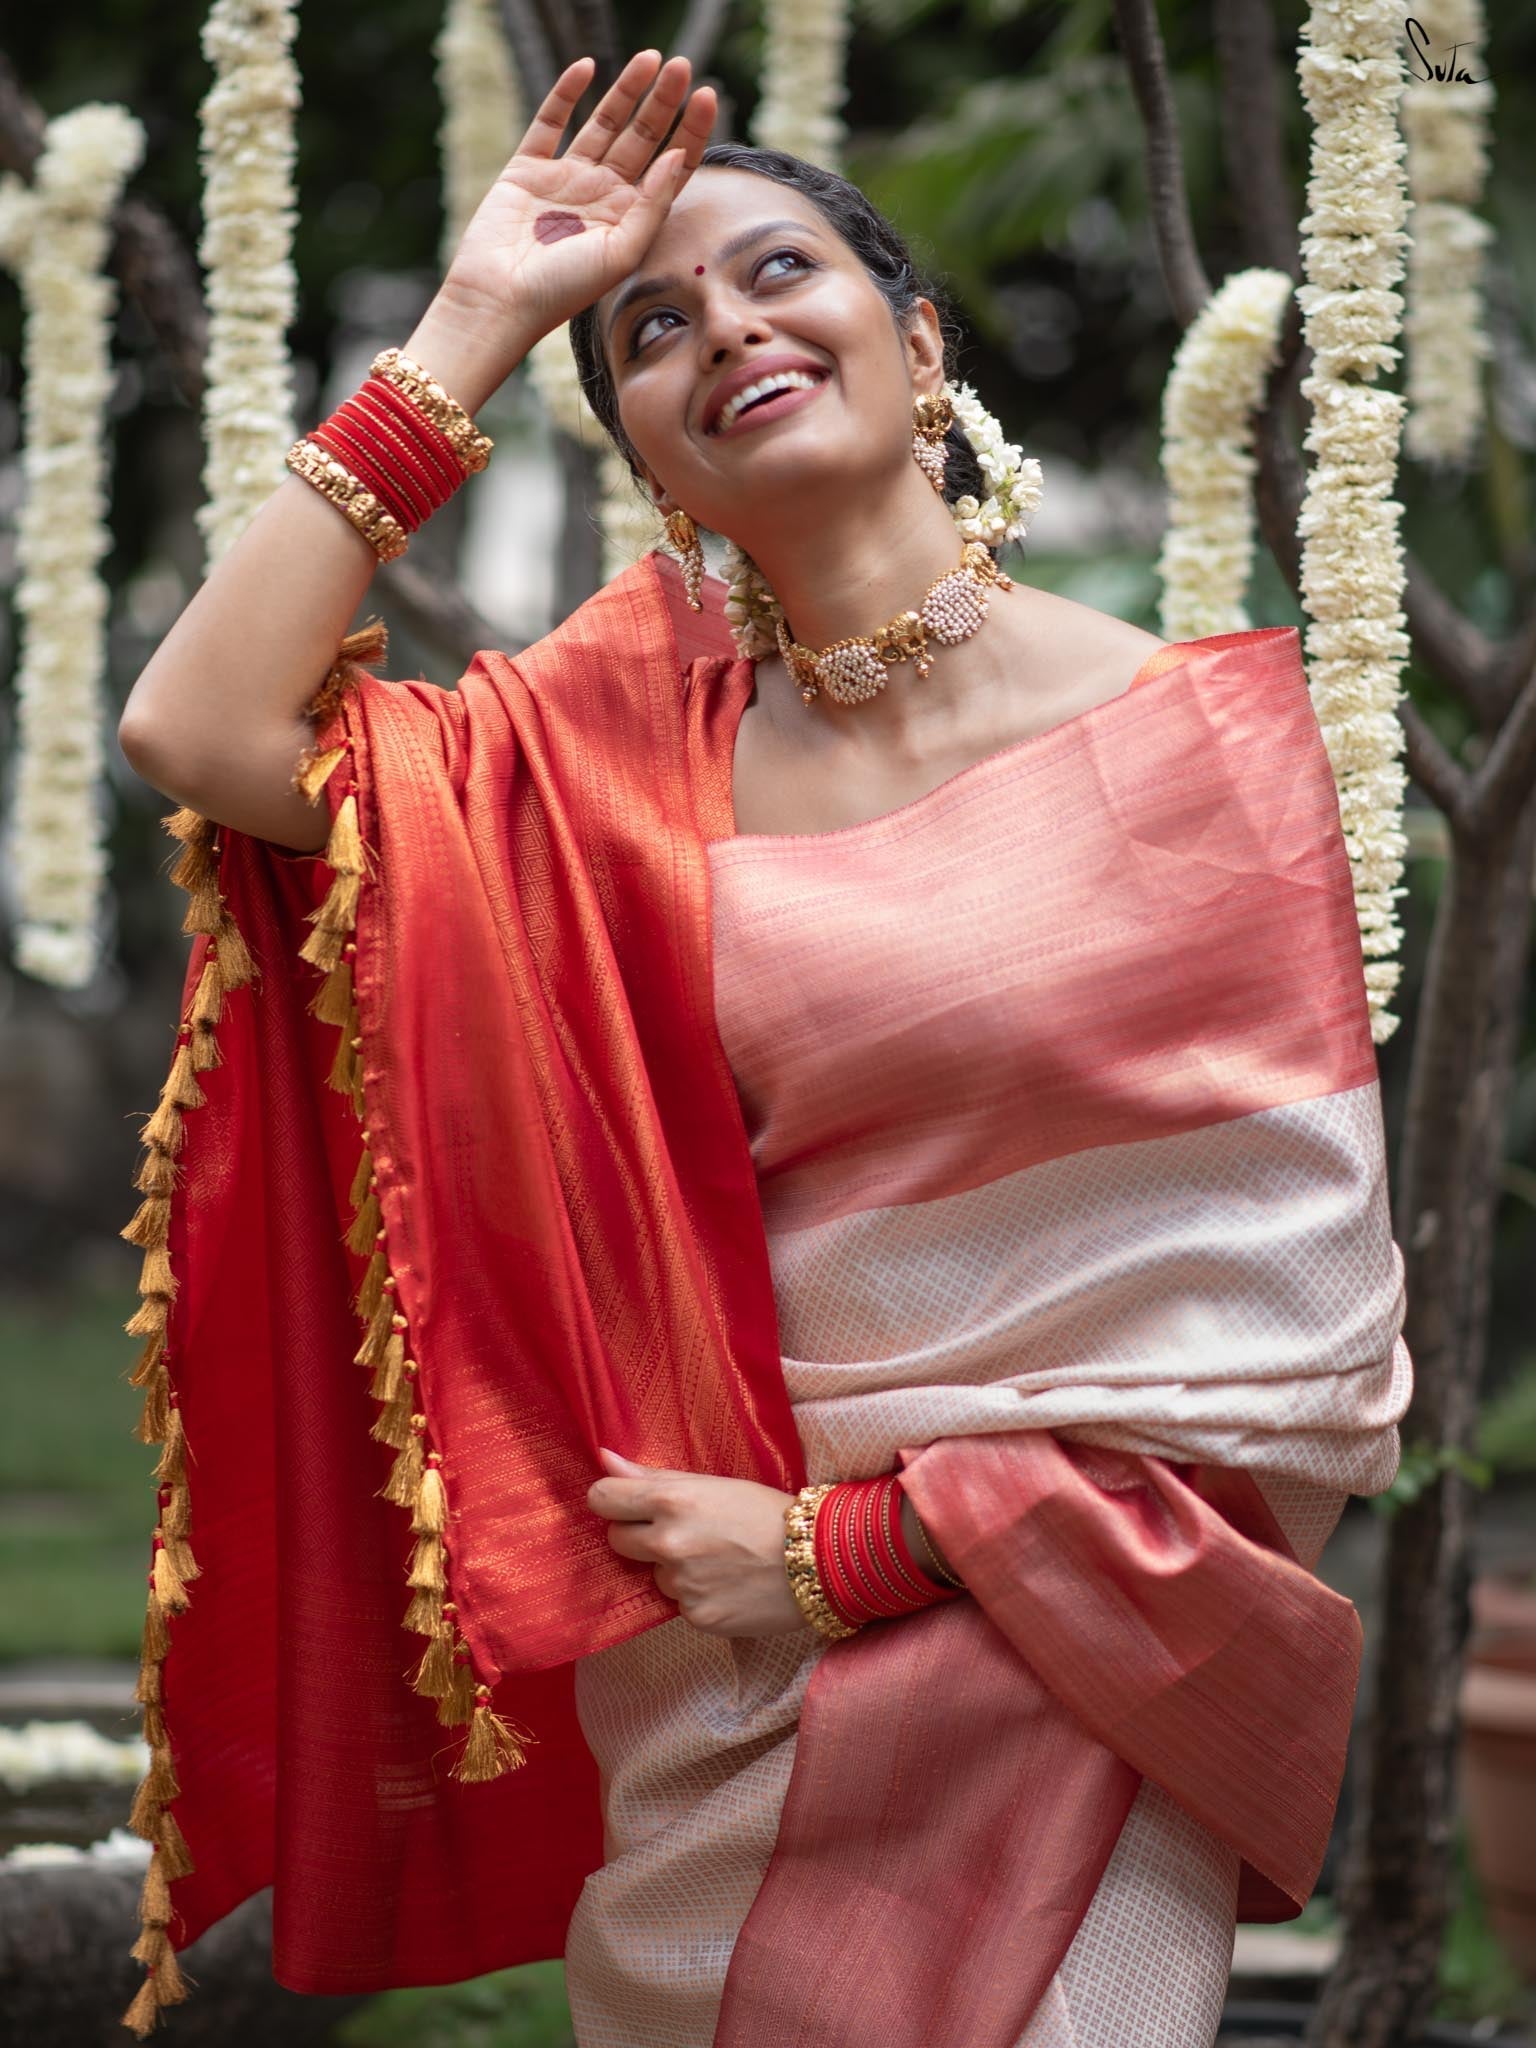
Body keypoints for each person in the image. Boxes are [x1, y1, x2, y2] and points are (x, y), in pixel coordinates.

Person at [115, 48, 1412, 2048]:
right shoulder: (602, 773)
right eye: (651, 328)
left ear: (917, 339)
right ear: (650, 451)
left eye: (779, 271)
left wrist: (853, 1549)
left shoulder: (1199, 748)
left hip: (1055, 1644)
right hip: (718, 1687)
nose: (724, 326)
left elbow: (1293, 1347)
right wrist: (477, 318)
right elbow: (196, 731)